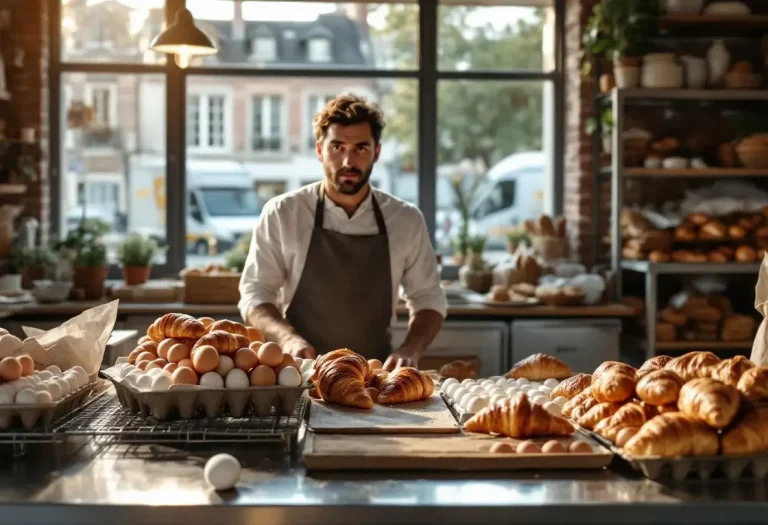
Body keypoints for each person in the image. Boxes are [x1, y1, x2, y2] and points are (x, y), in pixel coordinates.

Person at [239, 94, 446, 371]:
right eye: (337, 147)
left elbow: (428, 298)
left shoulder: (405, 220)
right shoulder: (283, 213)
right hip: (301, 372)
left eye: (361, 148)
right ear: (319, 150)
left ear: (377, 152)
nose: (348, 160)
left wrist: (411, 348)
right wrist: (287, 338)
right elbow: (256, 292)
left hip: (375, 375)